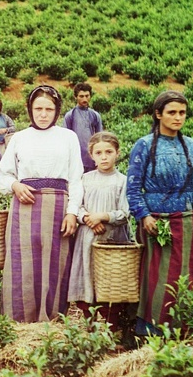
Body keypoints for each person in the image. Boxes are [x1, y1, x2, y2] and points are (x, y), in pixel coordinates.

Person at [0, 85, 84, 323]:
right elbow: (3, 174)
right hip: (25, 207)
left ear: (56, 111)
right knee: (23, 261)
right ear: (30, 109)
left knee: (56, 262)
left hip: (58, 208)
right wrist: (16, 186)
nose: (43, 114)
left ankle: (52, 318)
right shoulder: (19, 138)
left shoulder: (68, 137)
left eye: (48, 109)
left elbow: (76, 178)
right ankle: (20, 320)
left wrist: (72, 213)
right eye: (38, 108)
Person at [126, 90, 193, 335]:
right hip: (158, 223)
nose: (178, 118)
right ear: (158, 114)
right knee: (161, 277)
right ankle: (154, 332)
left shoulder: (191, 145)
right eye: (172, 112)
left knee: (192, 274)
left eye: (182, 113)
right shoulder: (143, 145)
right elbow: (132, 187)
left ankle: (189, 330)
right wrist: (144, 215)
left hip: (190, 221)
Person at [67, 131, 130, 330]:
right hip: (88, 238)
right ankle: (89, 325)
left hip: (113, 240)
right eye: (99, 152)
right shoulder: (84, 179)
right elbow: (77, 204)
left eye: (109, 152)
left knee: (111, 281)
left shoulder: (122, 180)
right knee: (88, 277)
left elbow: (125, 212)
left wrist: (102, 217)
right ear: (91, 155)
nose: (104, 157)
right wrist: (87, 218)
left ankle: (113, 327)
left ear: (117, 153)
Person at [64, 82, 103, 173]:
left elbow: (100, 138)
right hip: (75, 158)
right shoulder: (70, 115)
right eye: (81, 96)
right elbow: (66, 139)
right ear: (75, 97)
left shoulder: (95, 115)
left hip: (91, 159)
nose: (85, 99)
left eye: (87, 96)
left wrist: (98, 160)